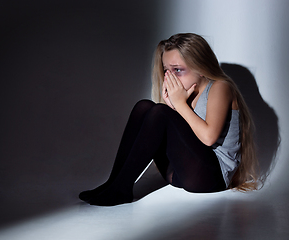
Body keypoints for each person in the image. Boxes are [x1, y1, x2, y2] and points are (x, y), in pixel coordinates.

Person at [79, 33, 260, 206]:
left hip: (211, 178)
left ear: (201, 68)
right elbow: (184, 136)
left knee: (160, 112)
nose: (171, 77)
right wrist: (175, 109)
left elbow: (208, 138)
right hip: (180, 173)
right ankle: (115, 183)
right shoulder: (185, 92)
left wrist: (178, 106)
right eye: (167, 70)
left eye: (178, 70)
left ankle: (121, 189)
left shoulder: (220, 87)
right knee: (144, 107)